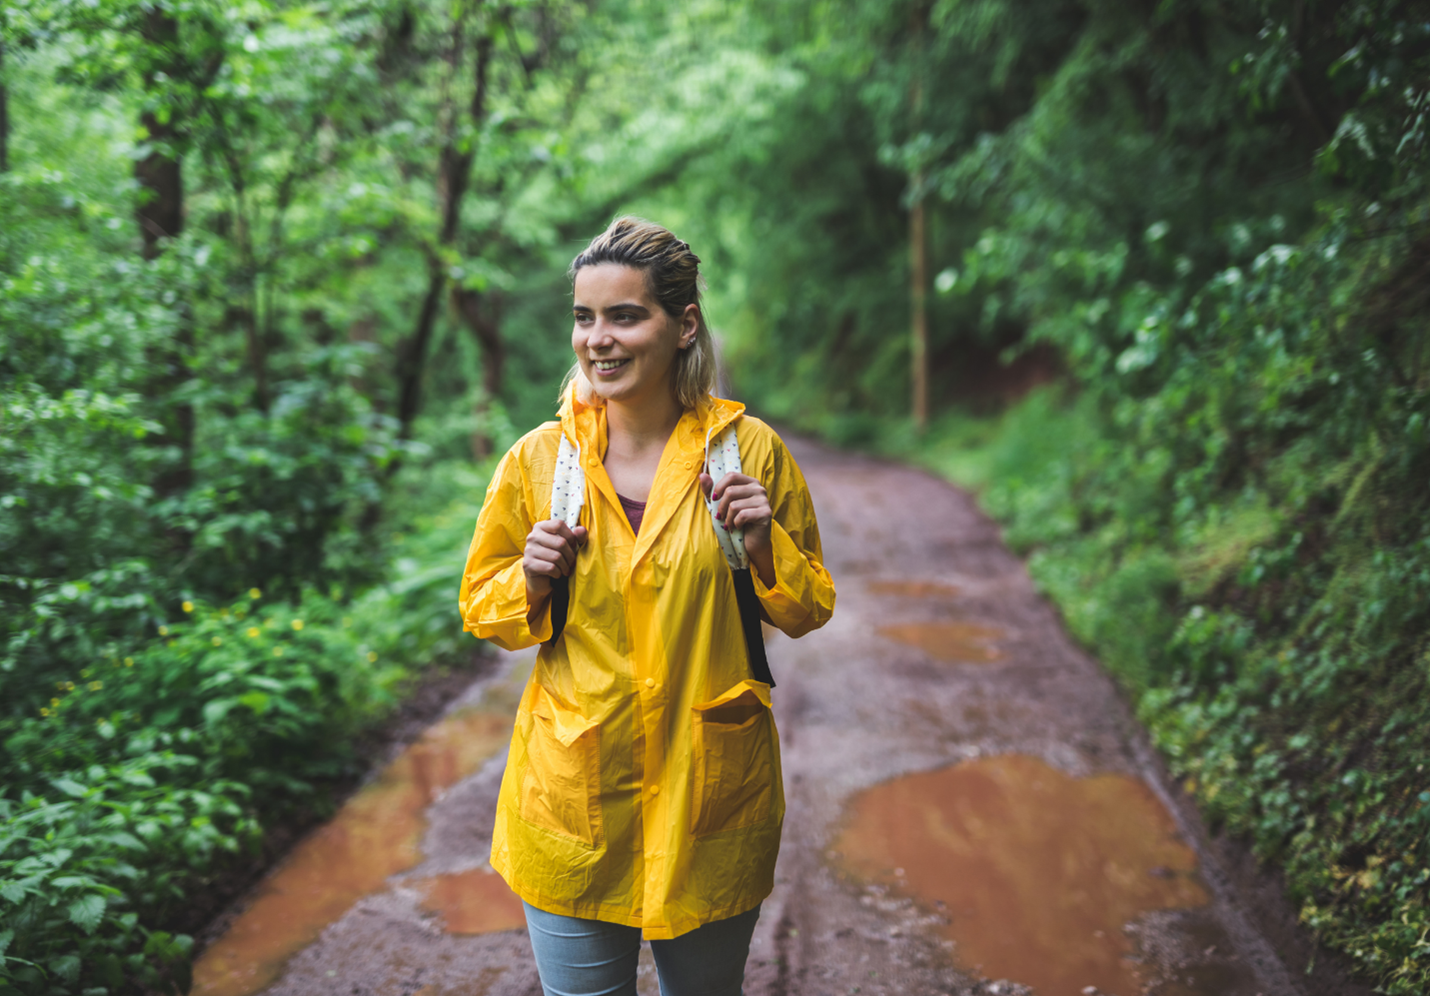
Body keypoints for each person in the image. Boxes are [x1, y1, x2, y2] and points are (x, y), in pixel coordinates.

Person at [458, 217, 836, 996]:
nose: (599, 339)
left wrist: (764, 543)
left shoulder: (750, 454)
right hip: (573, 804)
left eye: (625, 315)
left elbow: (807, 607)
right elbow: (483, 609)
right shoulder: (537, 462)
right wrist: (529, 581)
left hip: (710, 802)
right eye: (584, 317)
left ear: (682, 323)